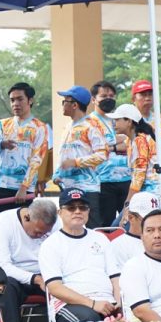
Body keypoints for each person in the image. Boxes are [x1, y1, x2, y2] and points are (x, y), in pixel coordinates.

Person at [37, 189, 120, 322]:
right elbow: (55, 288)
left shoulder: (101, 238)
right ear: (60, 213)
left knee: (131, 318)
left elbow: (115, 278)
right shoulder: (51, 244)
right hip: (69, 305)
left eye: (83, 207)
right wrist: (93, 304)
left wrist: (119, 305)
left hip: (107, 302)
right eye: (71, 207)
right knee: (91, 320)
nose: (77, 211)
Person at [0, 198, 58, 322]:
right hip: (12, 275)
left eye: (45, 233)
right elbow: (2, 265)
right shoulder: (3, 222)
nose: (41, 236)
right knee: (4, 288)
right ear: (27, 217)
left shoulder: (57, 223)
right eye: (38, 232)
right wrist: (35, 279)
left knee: (67, 285)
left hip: (46, 273)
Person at [53, 85, 109, 227]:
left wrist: (76, 162)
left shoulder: (92, 126)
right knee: (69, 227)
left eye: (65, 101)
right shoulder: (67, 127)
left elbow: (102, 155)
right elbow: (64, 154)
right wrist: (57, 174)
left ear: (75, 105)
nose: (63, 105)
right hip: (67, 186)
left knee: (93, 228)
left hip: (88, 187)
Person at [0, 83, 48, 216]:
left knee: (25, 228)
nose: (15, 103)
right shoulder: (2, 124)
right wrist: (0, 144)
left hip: (24, 189)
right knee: (2, 227)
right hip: (1, 185)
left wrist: (24, 187)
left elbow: (36, 160)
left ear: (30, 100)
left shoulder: (39, 127)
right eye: (12, 100)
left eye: (20, 99)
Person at [90, 81, 132, 226]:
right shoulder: (89, 123)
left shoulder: (120, 119)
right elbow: (96, 148)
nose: (108, 99)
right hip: (102, 181)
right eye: (103, 96)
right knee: (105, 225)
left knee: (127, 224)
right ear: (93, 99)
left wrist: (110, 145)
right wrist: (116, 143)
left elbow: (129, 142)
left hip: (126, 180)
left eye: (111, 96)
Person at [107, 103, 161, 204]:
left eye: (117, 119)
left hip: (153, 192)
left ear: (129, 121)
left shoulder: (139, 141)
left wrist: (128, 202)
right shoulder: (132, 139)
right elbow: (123, 145)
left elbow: (139, 175)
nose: (114, 123)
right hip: (146, 192)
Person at [109, 191, 161, 268]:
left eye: (156, 217)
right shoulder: (119, 246)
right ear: (131, 218)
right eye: (147, 218)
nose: (153, 222)